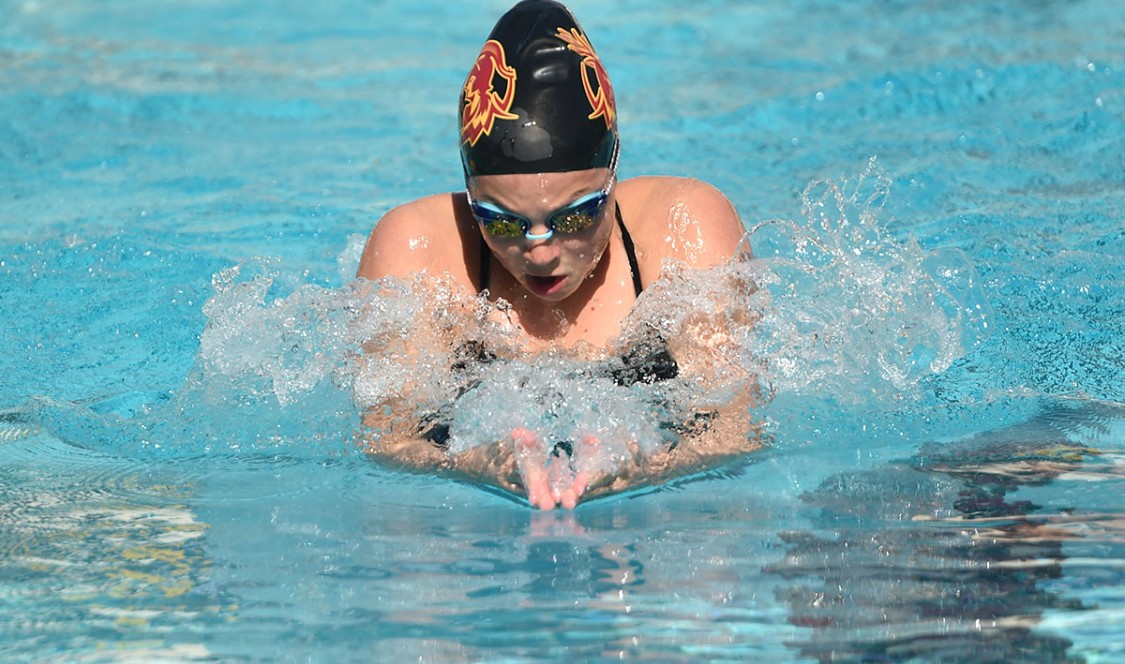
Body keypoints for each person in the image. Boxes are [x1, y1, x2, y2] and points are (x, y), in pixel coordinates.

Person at [357, 0, 757, 510]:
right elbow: (385, 441)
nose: (541, 253)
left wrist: (650, 468)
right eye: (501, 221)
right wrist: (471, 464)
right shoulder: (415, 248)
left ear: (614, 171)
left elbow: (735, 434)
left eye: (574, 218)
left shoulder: (686, 231)